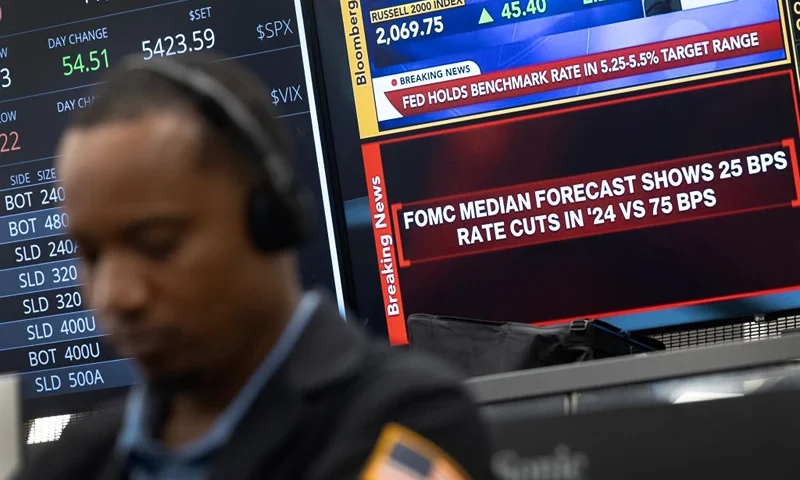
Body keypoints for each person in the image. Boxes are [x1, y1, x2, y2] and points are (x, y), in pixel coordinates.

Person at [16, 53, 494, 479]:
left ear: (269, 221)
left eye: (157, 245)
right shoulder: (78, 458)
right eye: (91, 255)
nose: (113, 295)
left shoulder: (408, 422)